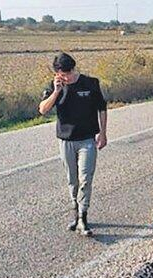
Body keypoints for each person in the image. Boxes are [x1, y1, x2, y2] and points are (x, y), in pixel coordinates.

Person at [39, 52, 108, 237]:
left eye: (69, 73)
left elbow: (102, 108)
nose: (67, 77)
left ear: (73, 68)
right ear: (57, 73)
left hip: (87, 140)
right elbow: (43, 110)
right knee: (73, 180)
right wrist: (56, 92)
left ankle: (83, 218)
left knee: (86, 178)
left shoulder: (91, 83)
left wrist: (103, 133)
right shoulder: (55, 87)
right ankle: (75, 214)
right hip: (66, 141)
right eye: (63, 74)